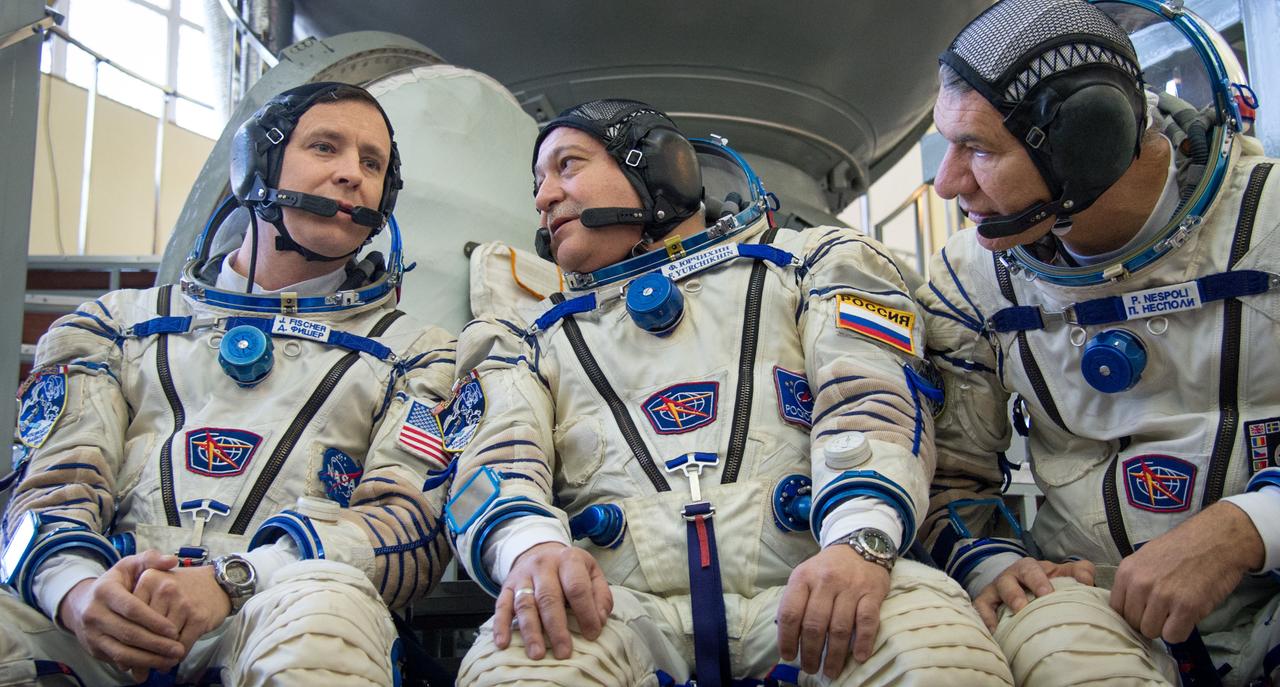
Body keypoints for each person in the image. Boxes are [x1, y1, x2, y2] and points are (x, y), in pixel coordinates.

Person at [446, 99, 1012, 686]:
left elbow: (871, 400)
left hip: (822, 574)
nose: (543, 198)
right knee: (517, 670)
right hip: (613, 610)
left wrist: (859, 540)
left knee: (938, 658)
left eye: (567, 166)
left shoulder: (812, 264)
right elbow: (495, 465)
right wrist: (530, 553)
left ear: (662, 168)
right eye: (538, 183)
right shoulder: (521, 337)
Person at [0, 82, 457, 685]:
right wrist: (76, 590)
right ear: (257, 165)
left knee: (327, 622)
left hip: (282, 604)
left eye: (372, 163)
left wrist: (231, 581)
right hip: (111, 602)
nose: (353, 175)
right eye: (326, 147)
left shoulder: (419, 354)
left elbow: (408, 527)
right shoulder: (113, 328)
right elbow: (51, 492)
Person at [918, 1, 1280, 684]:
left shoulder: (1268, 225)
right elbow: (953, 474)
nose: (946, 183)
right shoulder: (970, 280)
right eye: (948, 143)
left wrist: (1252, 525)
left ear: (1088, 141)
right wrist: (996, 562)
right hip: (1087, 607)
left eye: (980, 150)